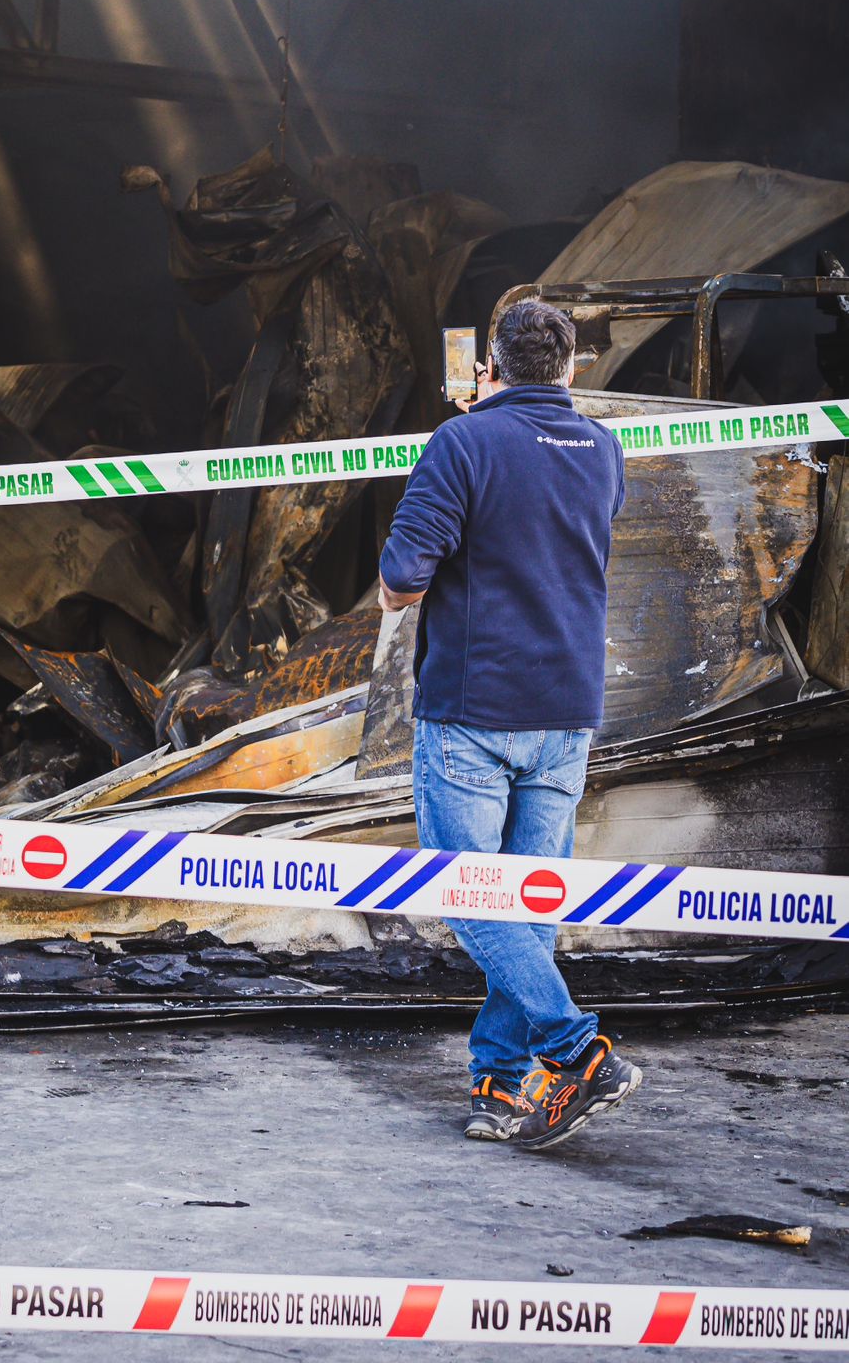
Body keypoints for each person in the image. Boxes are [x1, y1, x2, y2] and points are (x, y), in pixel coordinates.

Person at [377, 296, 639, 1152]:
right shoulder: (604, 450)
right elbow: (546, 524)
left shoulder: (462, 443)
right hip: (566, 711)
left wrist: (471, 435)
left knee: (468, 894)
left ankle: (575, 1050)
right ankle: (499, 1082)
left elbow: (403, 578)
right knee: (526, 906)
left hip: (473, 711)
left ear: (491, 365)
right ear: (570, 369)